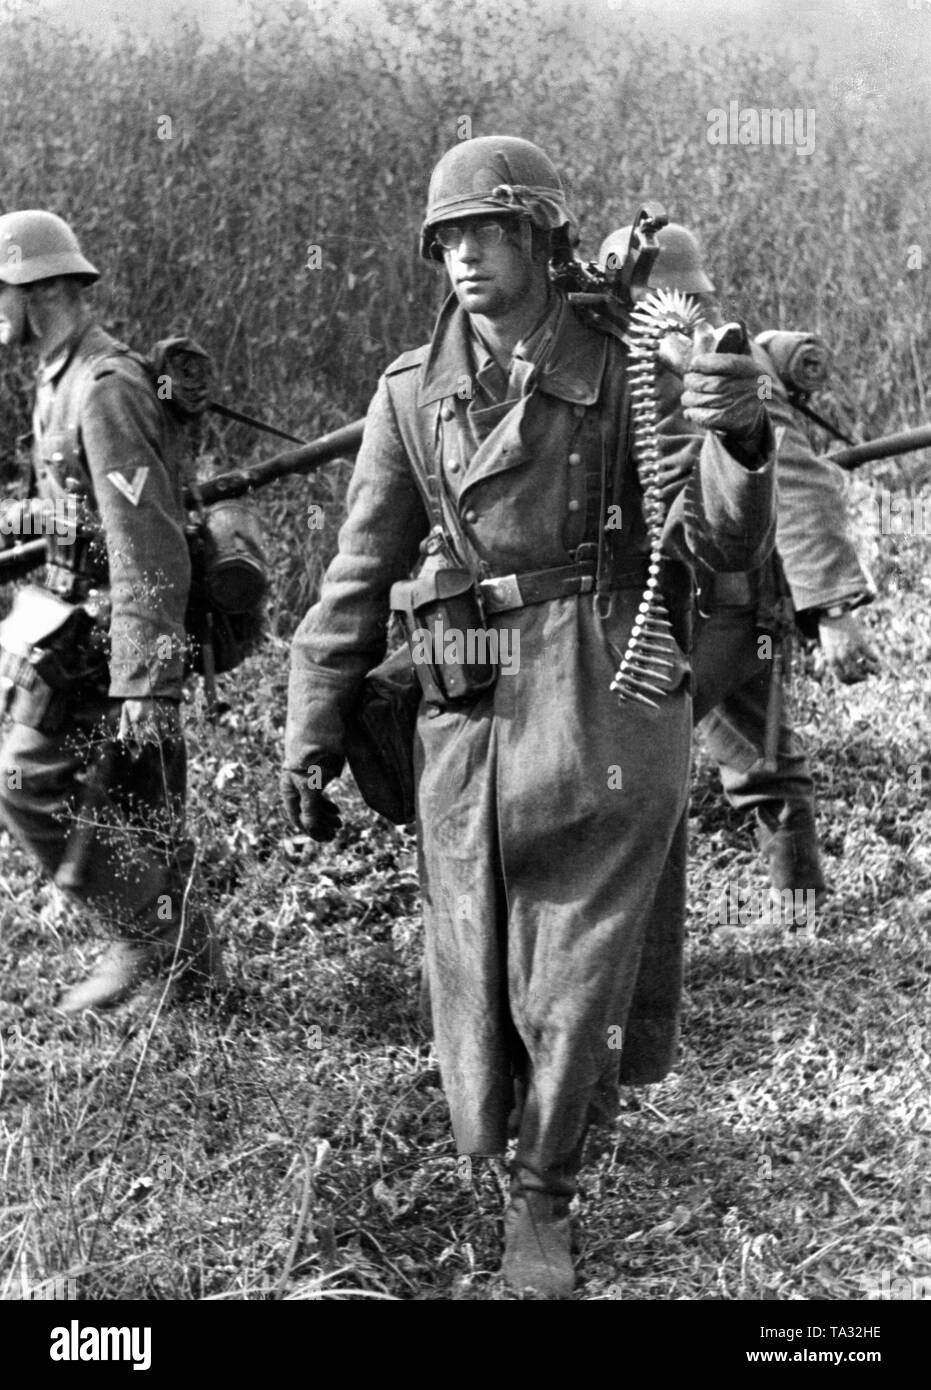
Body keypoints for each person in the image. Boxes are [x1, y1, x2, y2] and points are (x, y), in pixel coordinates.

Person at [281, 137, 776, 1298]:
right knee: (478, 953)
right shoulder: (412, 390)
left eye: (484, 233)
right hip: (465, 682)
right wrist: (313, 718)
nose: (460, 258)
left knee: (577, 954)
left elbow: (716, 540)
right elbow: (360, 568)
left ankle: (540, 1197)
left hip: (609, 670)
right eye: (444, 239)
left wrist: (743, 440)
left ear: (542, 240)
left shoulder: (628, 365)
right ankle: (520, 1128)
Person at [598, 223, 878, 908]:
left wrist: (833, 607)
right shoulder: (603, 360)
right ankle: (800, 901)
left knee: (632, 747)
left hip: (721, 600)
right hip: (672, 594)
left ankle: (784, 909)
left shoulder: (722, 361)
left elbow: (798, 482)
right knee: (758, 753)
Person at [0, 209, 224, 1014]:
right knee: (140, 801)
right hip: (76, 612)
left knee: (26, 778)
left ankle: (147, 937)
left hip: (110, 628)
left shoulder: (104, 387)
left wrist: (145, 682)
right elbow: (71, 508)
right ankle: (189, 973)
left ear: (43, 289)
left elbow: (145, 541)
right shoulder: (57, 379)